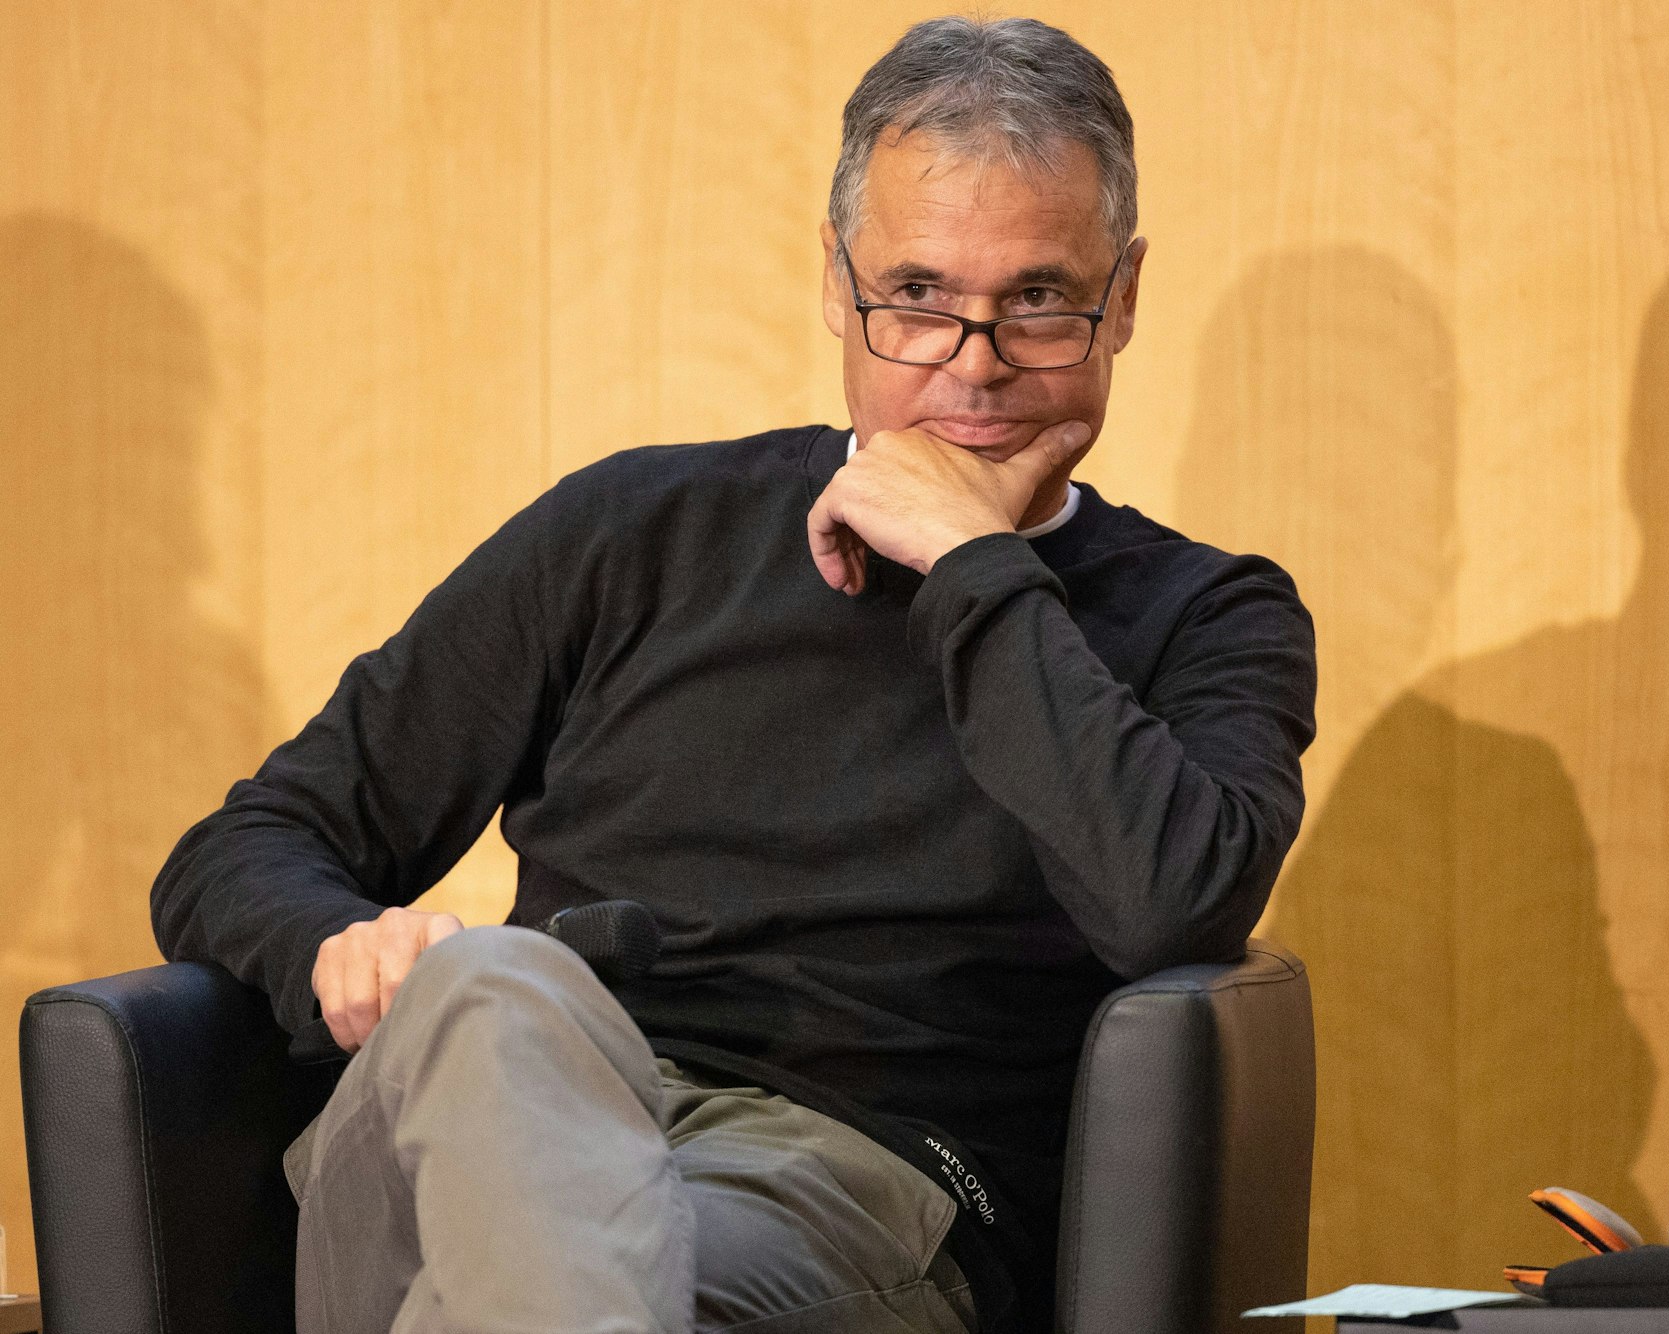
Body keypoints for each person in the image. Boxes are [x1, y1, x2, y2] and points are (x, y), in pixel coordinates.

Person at [150, 15, 1316, 1334]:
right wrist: (335, 947)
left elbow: (1173, 908)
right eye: (918, 296)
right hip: (500, 1103)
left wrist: (977, 562)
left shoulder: (1204, 612)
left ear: (1127, 294)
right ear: (837, 279)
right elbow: (243, 845)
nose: (974, 365)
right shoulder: (631, 533)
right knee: (496, 991)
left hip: (844, 1179)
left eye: (1040, 299)